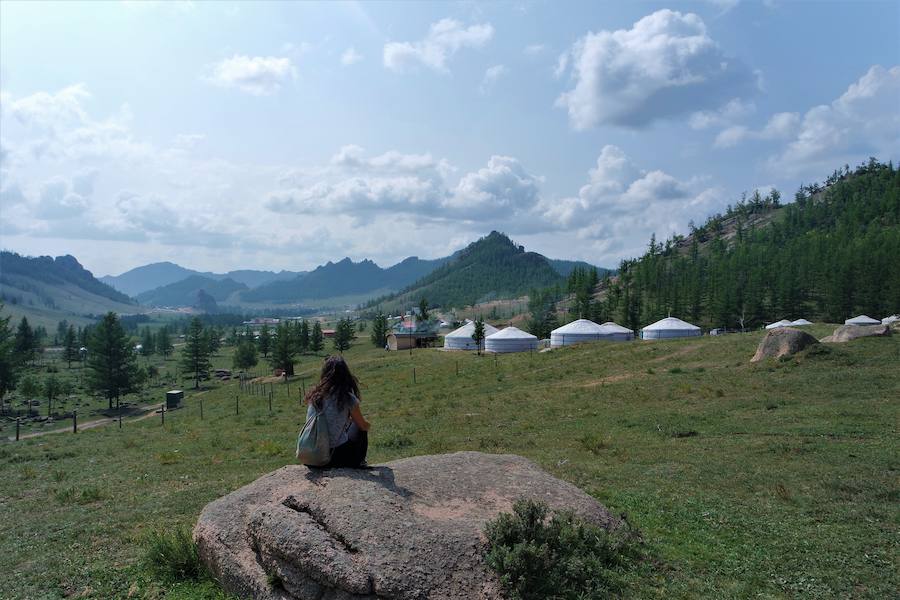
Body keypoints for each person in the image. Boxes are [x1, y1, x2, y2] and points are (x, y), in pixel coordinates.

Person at [303, 355, 370, 468]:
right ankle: (359, 462)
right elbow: (363, 425)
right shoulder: (347, 397)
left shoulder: (315, 396)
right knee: (359, 427)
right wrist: (368, 425)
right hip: (335, 458)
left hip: (312, 456)